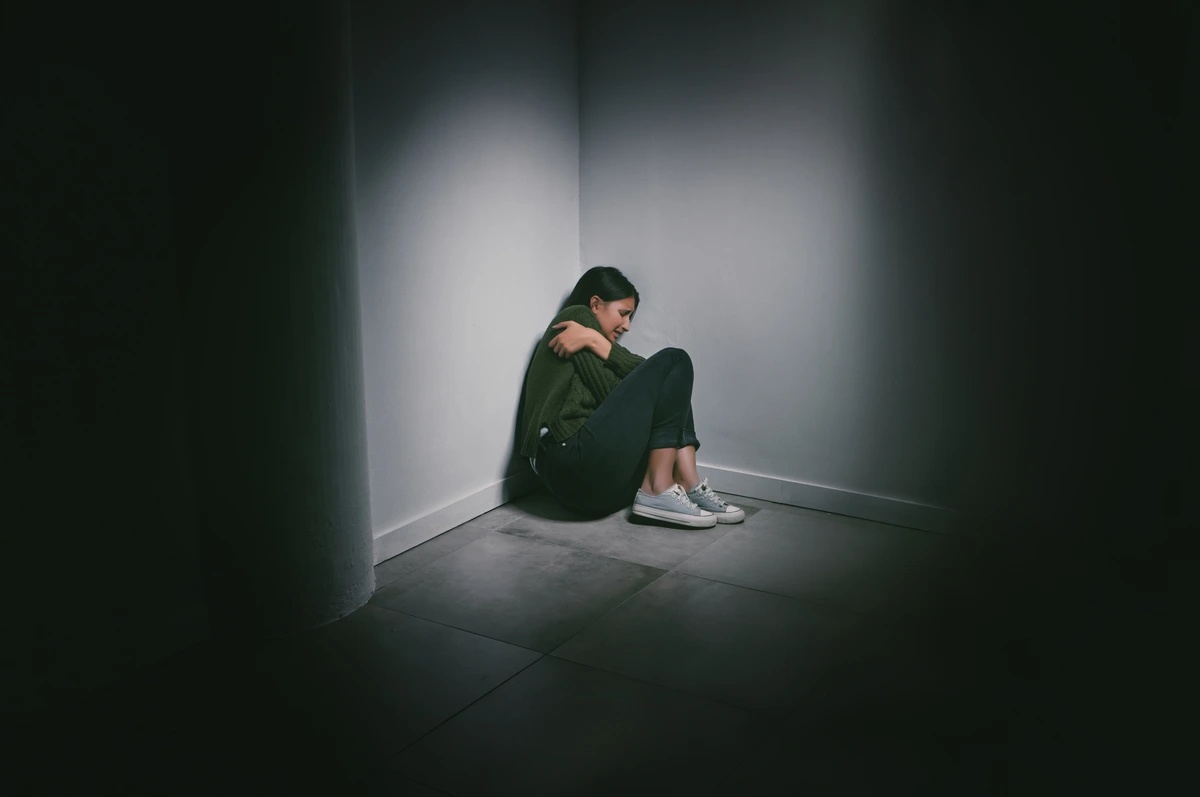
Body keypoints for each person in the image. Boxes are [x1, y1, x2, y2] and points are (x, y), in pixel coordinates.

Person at [520, 266, 744, 528]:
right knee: (675, 361)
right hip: (568, 463)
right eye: (623, 314)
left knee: (671, 385)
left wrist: (596, 341)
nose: (626, 326)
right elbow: (615, 392)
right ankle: (658, 488)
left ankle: (686, 482)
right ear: (595, 304)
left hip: (594, 491)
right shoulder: (576, 319)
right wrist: (595, 339)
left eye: (631, 318)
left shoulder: (591, 339)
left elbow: (643, 392)